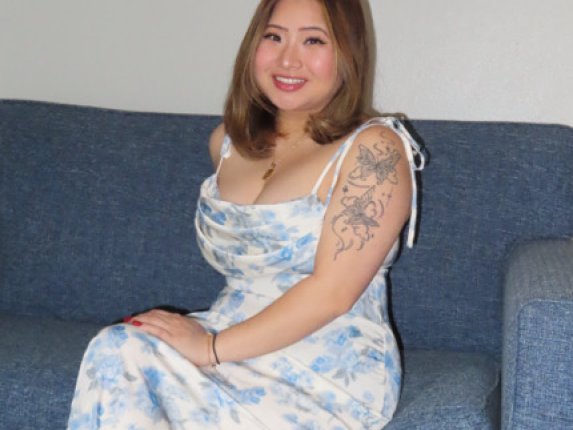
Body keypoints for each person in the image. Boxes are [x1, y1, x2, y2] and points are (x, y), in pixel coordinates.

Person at [67, 0, 425, 428]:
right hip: (231, 336)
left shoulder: (374, 151)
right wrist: (207, 340)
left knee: (123, 354)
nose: (288, 59)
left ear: (349, 52)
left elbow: (333, 294)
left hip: (325, 367)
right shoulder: (227, 144)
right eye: (274, 37)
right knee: (119, 346)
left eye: (313, 41)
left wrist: (210, 348)